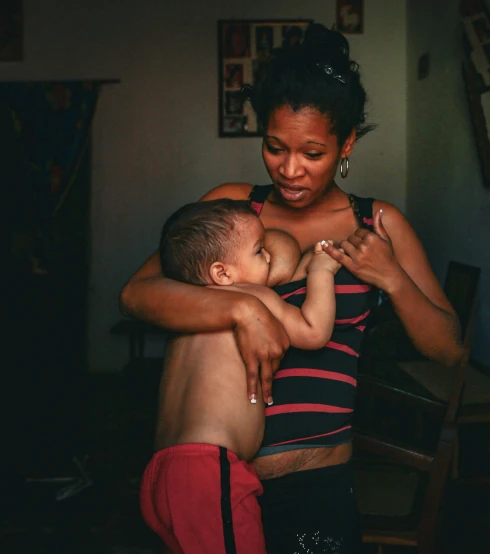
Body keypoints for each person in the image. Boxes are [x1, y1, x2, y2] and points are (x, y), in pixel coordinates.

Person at [120, 23, 465, 553]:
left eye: (312, 153)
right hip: (215, 480)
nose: (290, 169)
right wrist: (243, 313)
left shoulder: (378, 223)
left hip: (315, 487)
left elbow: (447, 348)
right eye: (275, 147)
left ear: (346, 144)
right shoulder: (237, 211)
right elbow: (137, 295)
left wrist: (390, 276)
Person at [139, 198, 342, 554]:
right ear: (222, 274)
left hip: (160, 474)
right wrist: (321, 272)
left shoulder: (190, 311)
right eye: (259, 250)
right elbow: (313, 332)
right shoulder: (253, 295)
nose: (269, 259)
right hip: (209, 474)